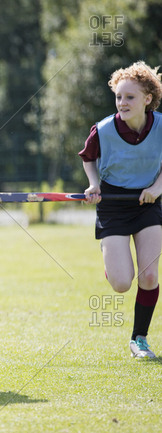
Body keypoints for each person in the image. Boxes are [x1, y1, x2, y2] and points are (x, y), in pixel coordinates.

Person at [80, 60, 162, 359]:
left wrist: (156, 189)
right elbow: (88, 158)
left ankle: (139, 338)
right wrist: (93, 185)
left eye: (130, 97)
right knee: (121, 283)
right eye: (118, 97)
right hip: (112, 204)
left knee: (150, 276)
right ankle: (113, 265)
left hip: (147, 202)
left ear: (147, 98)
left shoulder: (161, 126)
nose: (122, 103)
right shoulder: (102, 129)